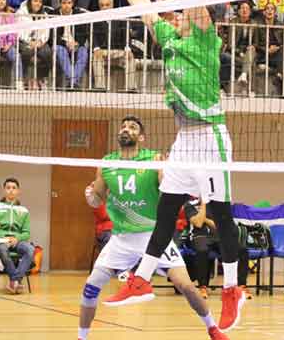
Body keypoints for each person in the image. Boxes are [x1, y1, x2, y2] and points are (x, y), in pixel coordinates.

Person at [102, 0, 243, 333]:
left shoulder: (205, 38)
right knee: (167, 210)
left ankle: (232, 289)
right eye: (178, 12)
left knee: (220, 213)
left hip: (211, 135)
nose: (179, 13)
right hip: (184, 139)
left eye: (184, 11)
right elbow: (145, 9)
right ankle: (140, 279)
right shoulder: (171, 38)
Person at [81, 116, 227, 340]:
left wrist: (166, 174)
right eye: (123, 126)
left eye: (132, 127)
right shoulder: (107, 164)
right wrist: (90, 196)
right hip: (121, 239)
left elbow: (168, 188)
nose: (125, 129)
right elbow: (97, 200)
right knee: (91, 287)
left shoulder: (153, 159)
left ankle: (213, 329)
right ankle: (82, 337)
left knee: (186, 286)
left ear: (141, 137)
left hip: (153, 237)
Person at [0, 178, 33, 294]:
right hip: (1, 240)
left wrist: (16, 239)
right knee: (2, 249)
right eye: (8, 188)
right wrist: (4, 236)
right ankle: (16, 281)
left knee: (30, 250)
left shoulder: (24, 210)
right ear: (4, 190)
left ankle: (14, 280)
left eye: (14, 188)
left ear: (18, 191)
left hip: (17, 241)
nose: (11, 190)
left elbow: (27, 233)